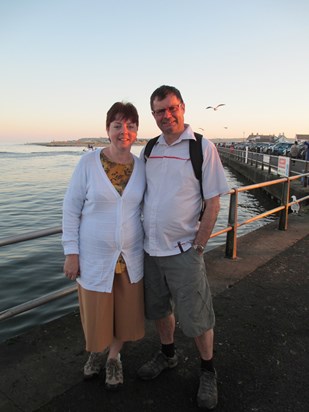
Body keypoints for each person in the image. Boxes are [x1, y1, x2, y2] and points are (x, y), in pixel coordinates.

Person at [137, 85, 229, 410]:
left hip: (184, 252)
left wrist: (199, 247)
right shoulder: (149, 149)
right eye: (160, 111)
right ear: (153, 115)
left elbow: (213, 203)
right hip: (151, 251)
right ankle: (168, 355)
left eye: (172, 108)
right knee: (161, 309)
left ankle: (208, 370)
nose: (167, 115)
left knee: (198, 316)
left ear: (183, 107)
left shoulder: (201, 147)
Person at [62, 102, 146, 390]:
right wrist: (71, 253)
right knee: (97, 314)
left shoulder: (142, 166)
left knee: (124, 313)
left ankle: (113, 358)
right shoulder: (88, 164)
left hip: (130, 256)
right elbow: (71, 210)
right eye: (117, 125)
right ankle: (96, 353)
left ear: (136, 131)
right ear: (108, 129)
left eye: (131, 125)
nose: (124, 131)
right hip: (95, 256)